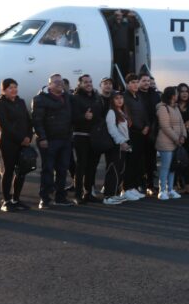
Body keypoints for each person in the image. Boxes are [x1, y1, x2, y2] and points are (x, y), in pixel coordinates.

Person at [32, 74, 74, 208]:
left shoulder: (67, 97)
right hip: (49, 140)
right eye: (55, 82)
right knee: (47, 170)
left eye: (60, 81)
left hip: (65, 139)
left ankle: (60, 197)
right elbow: (37, 121)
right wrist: (42, 137)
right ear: (49, 84)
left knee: (62, 170)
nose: (59, 84)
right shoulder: (40, 99)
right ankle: (44, 199)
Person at [0, 78, 33, 212]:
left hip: (23, 141)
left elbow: (28, 120)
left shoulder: (21, 102)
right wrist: (21, 138)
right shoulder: (0, 105)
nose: (14, 89)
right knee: (8, 171)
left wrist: (28, 136)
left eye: (15, 87)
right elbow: (4, 125)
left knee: (22, 171)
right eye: (10, 87)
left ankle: (16, 199)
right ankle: (6, 200)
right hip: (8, 142)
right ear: (4, 90)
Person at [71, 74, 103, 204]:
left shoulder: (96, 97)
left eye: (90, 81)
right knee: (81, 166)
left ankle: (88, 193)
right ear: (80, 84)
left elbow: (99, 115)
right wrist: (84, 117)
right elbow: (72, 117)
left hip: (94, 137)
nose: (89, 84)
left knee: (92, 167)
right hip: (81, 136)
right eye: (85, 82)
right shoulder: (75, 98)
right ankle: (77, 195)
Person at [155, 86, 187, 200]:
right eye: (176, 93)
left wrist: (183, 135)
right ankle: (162, 190)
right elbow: (165, 126)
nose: (178, 95)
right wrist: (176, 138)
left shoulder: (176, 107)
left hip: (176, 142)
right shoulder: (163, 108)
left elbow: (181, 123)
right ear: (172, 95)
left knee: (173, 167)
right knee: (165, 167)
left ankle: (170, 189)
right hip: (165, 142)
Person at [122, 73, 150, 200]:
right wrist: (138, 128)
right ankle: (126, 189)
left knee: (137, 162)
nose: (135, 84)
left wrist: (147, 126)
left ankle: (133, 187)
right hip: (131, 133)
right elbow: (127, 117)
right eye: (132, 82)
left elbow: (145, 114)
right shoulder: (124, 97)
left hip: (141, 134)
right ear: (127, 84)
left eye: (136, 82)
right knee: (129, 162)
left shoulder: (138, 96)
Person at [103, 91, 131, 205]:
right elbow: (112, 129)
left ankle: (115, 193)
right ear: (112, 100)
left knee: (120, 170)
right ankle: (108, 196)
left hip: (123, 145)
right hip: (115, 145)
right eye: (116, 98)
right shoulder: (111, 112)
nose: (119, 100)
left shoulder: (122, 111)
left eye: (121, 98)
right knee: (113, 170)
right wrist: (121, 142)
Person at [137, 73, 160, 195]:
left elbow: (158, 112)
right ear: (139, 81)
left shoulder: (155, 94)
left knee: (151, 160)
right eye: (144, 81)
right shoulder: (136, 94)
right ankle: (141, 184)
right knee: (140, 160)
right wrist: (143, 126)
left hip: (153, 131)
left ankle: (150, 184)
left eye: (148, 81)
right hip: (139, 131)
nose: (146, 83)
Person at [176, 83, 189, 194]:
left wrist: (188, 123)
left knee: (186, 161)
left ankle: (188, 184)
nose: (184, 94)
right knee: (177, 162)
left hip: (187, 138)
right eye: (182, 91)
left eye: (186, 91)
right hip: (176, 137)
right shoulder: (174, 106)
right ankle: (178, 185)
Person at [109, 10, 136, 79]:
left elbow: (135, 25)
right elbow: (109, 21)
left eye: (121, 15)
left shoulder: (125, 24)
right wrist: (114, 15)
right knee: (117, 68)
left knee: (126, 67)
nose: (120, 16)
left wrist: (131, 16)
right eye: (118, 15)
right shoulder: (112, 24)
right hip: (116, 50)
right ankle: (116, 84)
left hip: (126, 50)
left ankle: (125, 83)